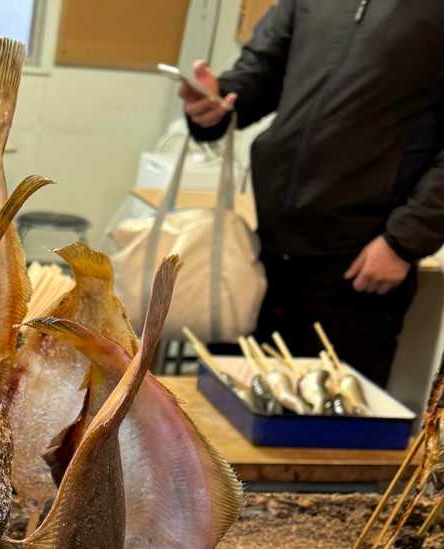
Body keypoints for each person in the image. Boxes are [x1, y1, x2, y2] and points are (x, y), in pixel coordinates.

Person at [180, 0, 444, 388]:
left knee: (328, 414)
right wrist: (216, 100)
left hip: (361, 262)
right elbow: (260, 71)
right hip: (268, 247)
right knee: (232, 403)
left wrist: (404, 241)